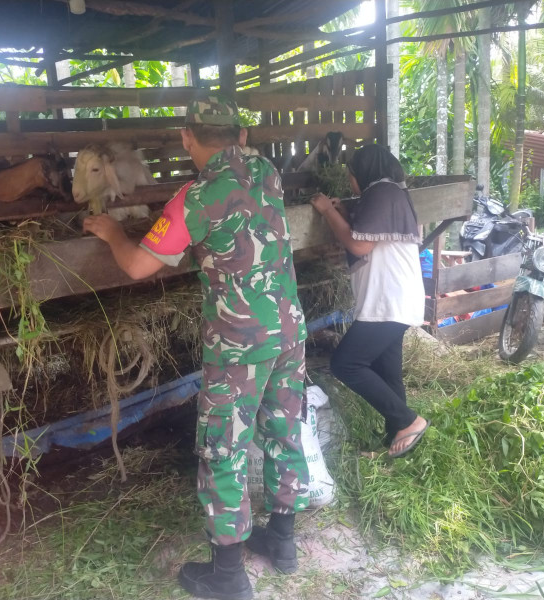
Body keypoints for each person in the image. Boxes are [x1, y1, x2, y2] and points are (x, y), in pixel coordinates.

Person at [83, 93, 310, 600]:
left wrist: (114, 231)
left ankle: (227, 575)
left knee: (224, 449)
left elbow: (139, 265)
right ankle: (283, 542)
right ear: (242, 136)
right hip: (289, 330)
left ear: (187, 139)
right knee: (283, 430)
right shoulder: (268, 171)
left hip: (238, 346)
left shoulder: (196, 197)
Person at [310, 144, 430, 459]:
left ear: (361, 172)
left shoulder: (381, 193)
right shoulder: (389, 192)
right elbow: (369, 232)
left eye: (351, 175)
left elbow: (359, 244)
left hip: (388, 300)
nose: (351, 182)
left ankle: (408, 420)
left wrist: (326, 211)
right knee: (388, 371)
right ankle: (397, 440)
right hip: (393, 298)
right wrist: (345, 211)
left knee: (345, 364)